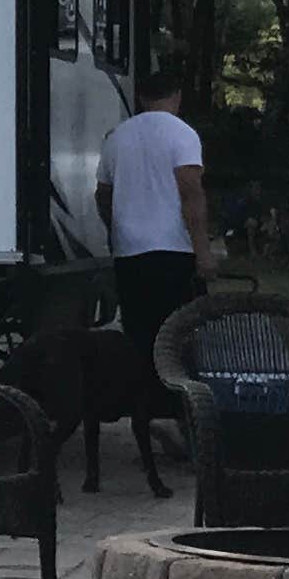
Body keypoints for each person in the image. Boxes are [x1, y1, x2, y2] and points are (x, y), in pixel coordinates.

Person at [96, 66, 215, 363]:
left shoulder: (118, 136)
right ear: (177, 96)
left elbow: (102, 194)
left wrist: (115, 230)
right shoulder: (183, 134)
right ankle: (174, 396)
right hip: (173, 249)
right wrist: (203, 251)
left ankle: (141, 401)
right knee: (175, 331)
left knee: (138, 331)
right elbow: (191, 193)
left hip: (129, 251)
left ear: (140, 98)